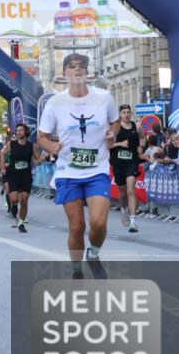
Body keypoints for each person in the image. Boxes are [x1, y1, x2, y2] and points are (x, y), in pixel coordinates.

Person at [37, 53, 119, 279]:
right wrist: (50, 147)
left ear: (87, 72)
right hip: (68, 171)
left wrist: (113, 133)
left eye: (81, 66)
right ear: (65, 74)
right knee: (77, 226)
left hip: (98, 169)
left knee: (99, 222)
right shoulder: (55, 102)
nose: (77, 70)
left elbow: (115, 121)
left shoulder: (104, 97)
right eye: (71, 67)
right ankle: (76, 270)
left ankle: (93, 254)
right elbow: (42, 136)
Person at [110, 104, 142, 233]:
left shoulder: (136, 126)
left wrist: (141, 147)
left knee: (130, 190)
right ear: (120, 115)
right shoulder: (115, 129)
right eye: (124, 112)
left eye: (128, 112)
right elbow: (107, 145)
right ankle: (124, 208)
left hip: (132, 161)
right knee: (122, 193)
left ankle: (133, 221)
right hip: (118, 163)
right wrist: (120, 144)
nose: (126, 115)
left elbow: (143, 138)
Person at [3, 124, 38, 233]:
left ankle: (21, 222)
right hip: (14, 176)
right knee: (14, 199)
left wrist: (44, 157)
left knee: (24, 200)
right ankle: (13, 205)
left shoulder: (32, 146)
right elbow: (3, 154)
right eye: (17, 130)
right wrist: (2, 167)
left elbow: (37, 160)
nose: (18, 132)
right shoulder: (11, 144)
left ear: (26, 132)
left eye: (20, 130)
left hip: (26, 176)